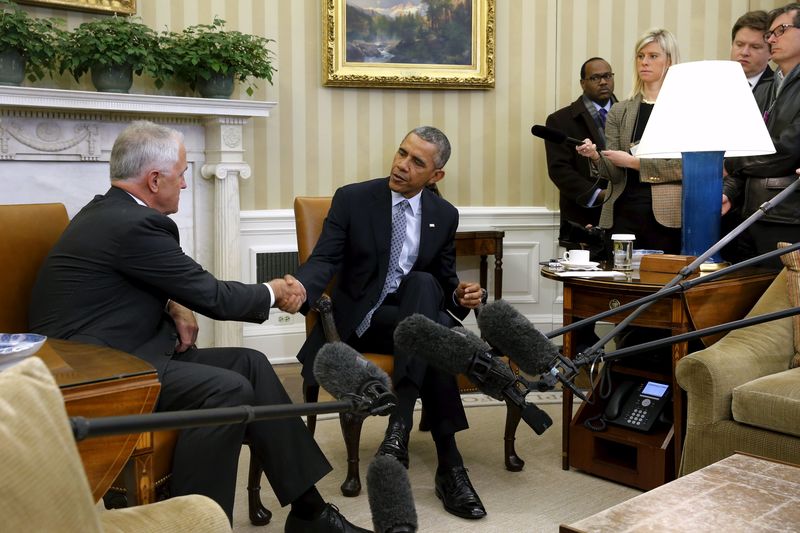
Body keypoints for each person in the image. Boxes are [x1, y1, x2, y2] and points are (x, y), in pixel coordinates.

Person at [28, 121, 370, 533]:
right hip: (102, 376)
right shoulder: (133, 226)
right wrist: (275, 290)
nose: (186, 185)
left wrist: (174, 303)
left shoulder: (108, 212)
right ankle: (195, 526)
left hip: (117, 352)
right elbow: (214, 295)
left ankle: (310, 513)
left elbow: (142, 281)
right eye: (182, 173)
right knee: (227, 391)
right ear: (154, 180)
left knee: (251, 364)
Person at [294, 126, 487, 520]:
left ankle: (403, 434)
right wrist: (299, 287)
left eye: (417, 162)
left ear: (436, 176)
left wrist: (461, 295)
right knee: (435, 335)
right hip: (363, 318)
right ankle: (449, 467)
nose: (401, 165)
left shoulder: (443, 214)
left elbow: (446, 283)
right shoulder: (354, 198)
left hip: (408, 318)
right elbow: (325, 260)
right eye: (402, 153)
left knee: (423, 288)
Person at [577, 28, 683, 255]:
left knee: (659, 285)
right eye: (640, 56)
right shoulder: (620, 110)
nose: (644, 62)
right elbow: (614, 174)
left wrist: (635, 163)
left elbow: (684, 168)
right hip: (621, 212)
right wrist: (595, 156)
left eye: (653, 56)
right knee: (619, 284)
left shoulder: (683, 110)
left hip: (666, 216)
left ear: (670, 61)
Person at [722, 3, 800, 270]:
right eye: (770, 33)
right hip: (755, 213)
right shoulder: (769, 87)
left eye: (781, 30)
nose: (771, 38)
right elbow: (748, 146)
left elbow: (787, 149)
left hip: (789, 215)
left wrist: (729, 163)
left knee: (783, 304)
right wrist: (730, 191)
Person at [544, 57, 617, 256]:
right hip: (583, 216)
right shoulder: (560, 120)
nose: (603, 82)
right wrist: (599, 195)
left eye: (607, 76)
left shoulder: (629, 114)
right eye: (595, 78)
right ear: (582, 83)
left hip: (625, 214)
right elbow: (559, 170)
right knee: (583, 283)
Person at [730, 10, 774, 91]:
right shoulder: (713, 82)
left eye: (755, 47)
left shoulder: (778, 89)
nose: (744, 52)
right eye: (739, 45)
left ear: (771, 52)